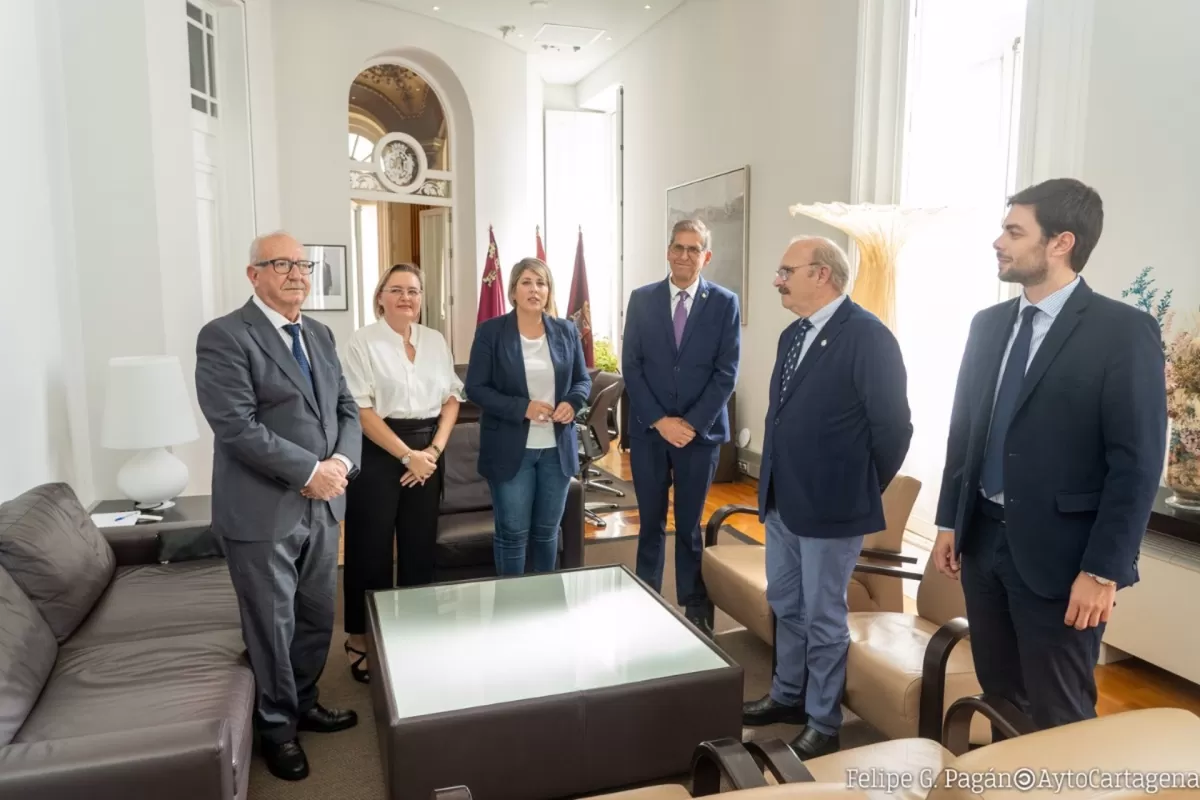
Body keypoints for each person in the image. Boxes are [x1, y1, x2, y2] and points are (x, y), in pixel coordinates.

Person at [932, 178, 1167, 731]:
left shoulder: (1123, 332)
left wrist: (1103, 572)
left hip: (1063, 560)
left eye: (1014, 232)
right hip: (982, 544)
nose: (999, 242)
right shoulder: (987, 326)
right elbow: (964, 432)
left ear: (1061, 243)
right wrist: (949, 520)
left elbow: (1136, 465)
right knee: (1001, 699)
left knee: (1060, 714)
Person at [194, 231, 362, 782]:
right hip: (262, 511)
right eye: (282, 264)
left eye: (303, 265)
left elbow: (345, 407)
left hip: (324, 504)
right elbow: (236, 426)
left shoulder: (320, 333)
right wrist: (310, 471)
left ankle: (305, 701)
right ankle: (276, 728)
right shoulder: (224, 336)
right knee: (271, 625)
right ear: (254, 274)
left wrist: (340, 463)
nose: (296, 274)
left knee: (316, 616)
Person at [742, 235, 912, 760]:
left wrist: (858, 486)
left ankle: (823, 720)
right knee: (786, 603)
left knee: (823, 616)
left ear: (821, 274)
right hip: (781, 499)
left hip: (832, 508)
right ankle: (788, 695)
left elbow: (894, 430)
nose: (777, 280)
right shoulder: (792, 334)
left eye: (786, 271)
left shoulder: (868, 337)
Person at [340, 263, 462, 684]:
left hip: (428, 450)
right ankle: (360, 637)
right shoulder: (362, 342)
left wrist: (432, 451)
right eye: (396, 290)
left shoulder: (435, 340)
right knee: (369, 548)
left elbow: (452, 398)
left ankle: (413, 629)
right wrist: (406, 455)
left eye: (413, 290)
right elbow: (360, 409)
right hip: (379, 450)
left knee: (418, 546)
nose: (406, 297)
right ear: (381, 297)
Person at [621, 219, 740, 635]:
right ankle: (645, 594)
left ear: (706, 256)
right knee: (650, 521)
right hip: (650, 432)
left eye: (694, 249)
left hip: (698, 435)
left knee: (690, 525)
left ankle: (695, 603)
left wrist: (688, 424)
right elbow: (631, 366)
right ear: (668, 251)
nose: (684, 256)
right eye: (678, 247)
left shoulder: (724, 303)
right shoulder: (642, 300)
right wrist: (660, 420)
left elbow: (726, 373)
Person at [465, 257, 591, 574]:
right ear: (513, 291)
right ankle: (512, 602)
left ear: (549, 291)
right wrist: (523, 408)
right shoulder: (491, 332)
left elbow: (582, 379)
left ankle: (543, 599)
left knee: (547, 533)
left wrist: (573, 402)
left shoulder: (566, 331)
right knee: (512, 535)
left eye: (541, 283)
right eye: (526, 282)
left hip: (556, 450)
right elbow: (475, 388)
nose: (534, 289)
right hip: (510, 449)